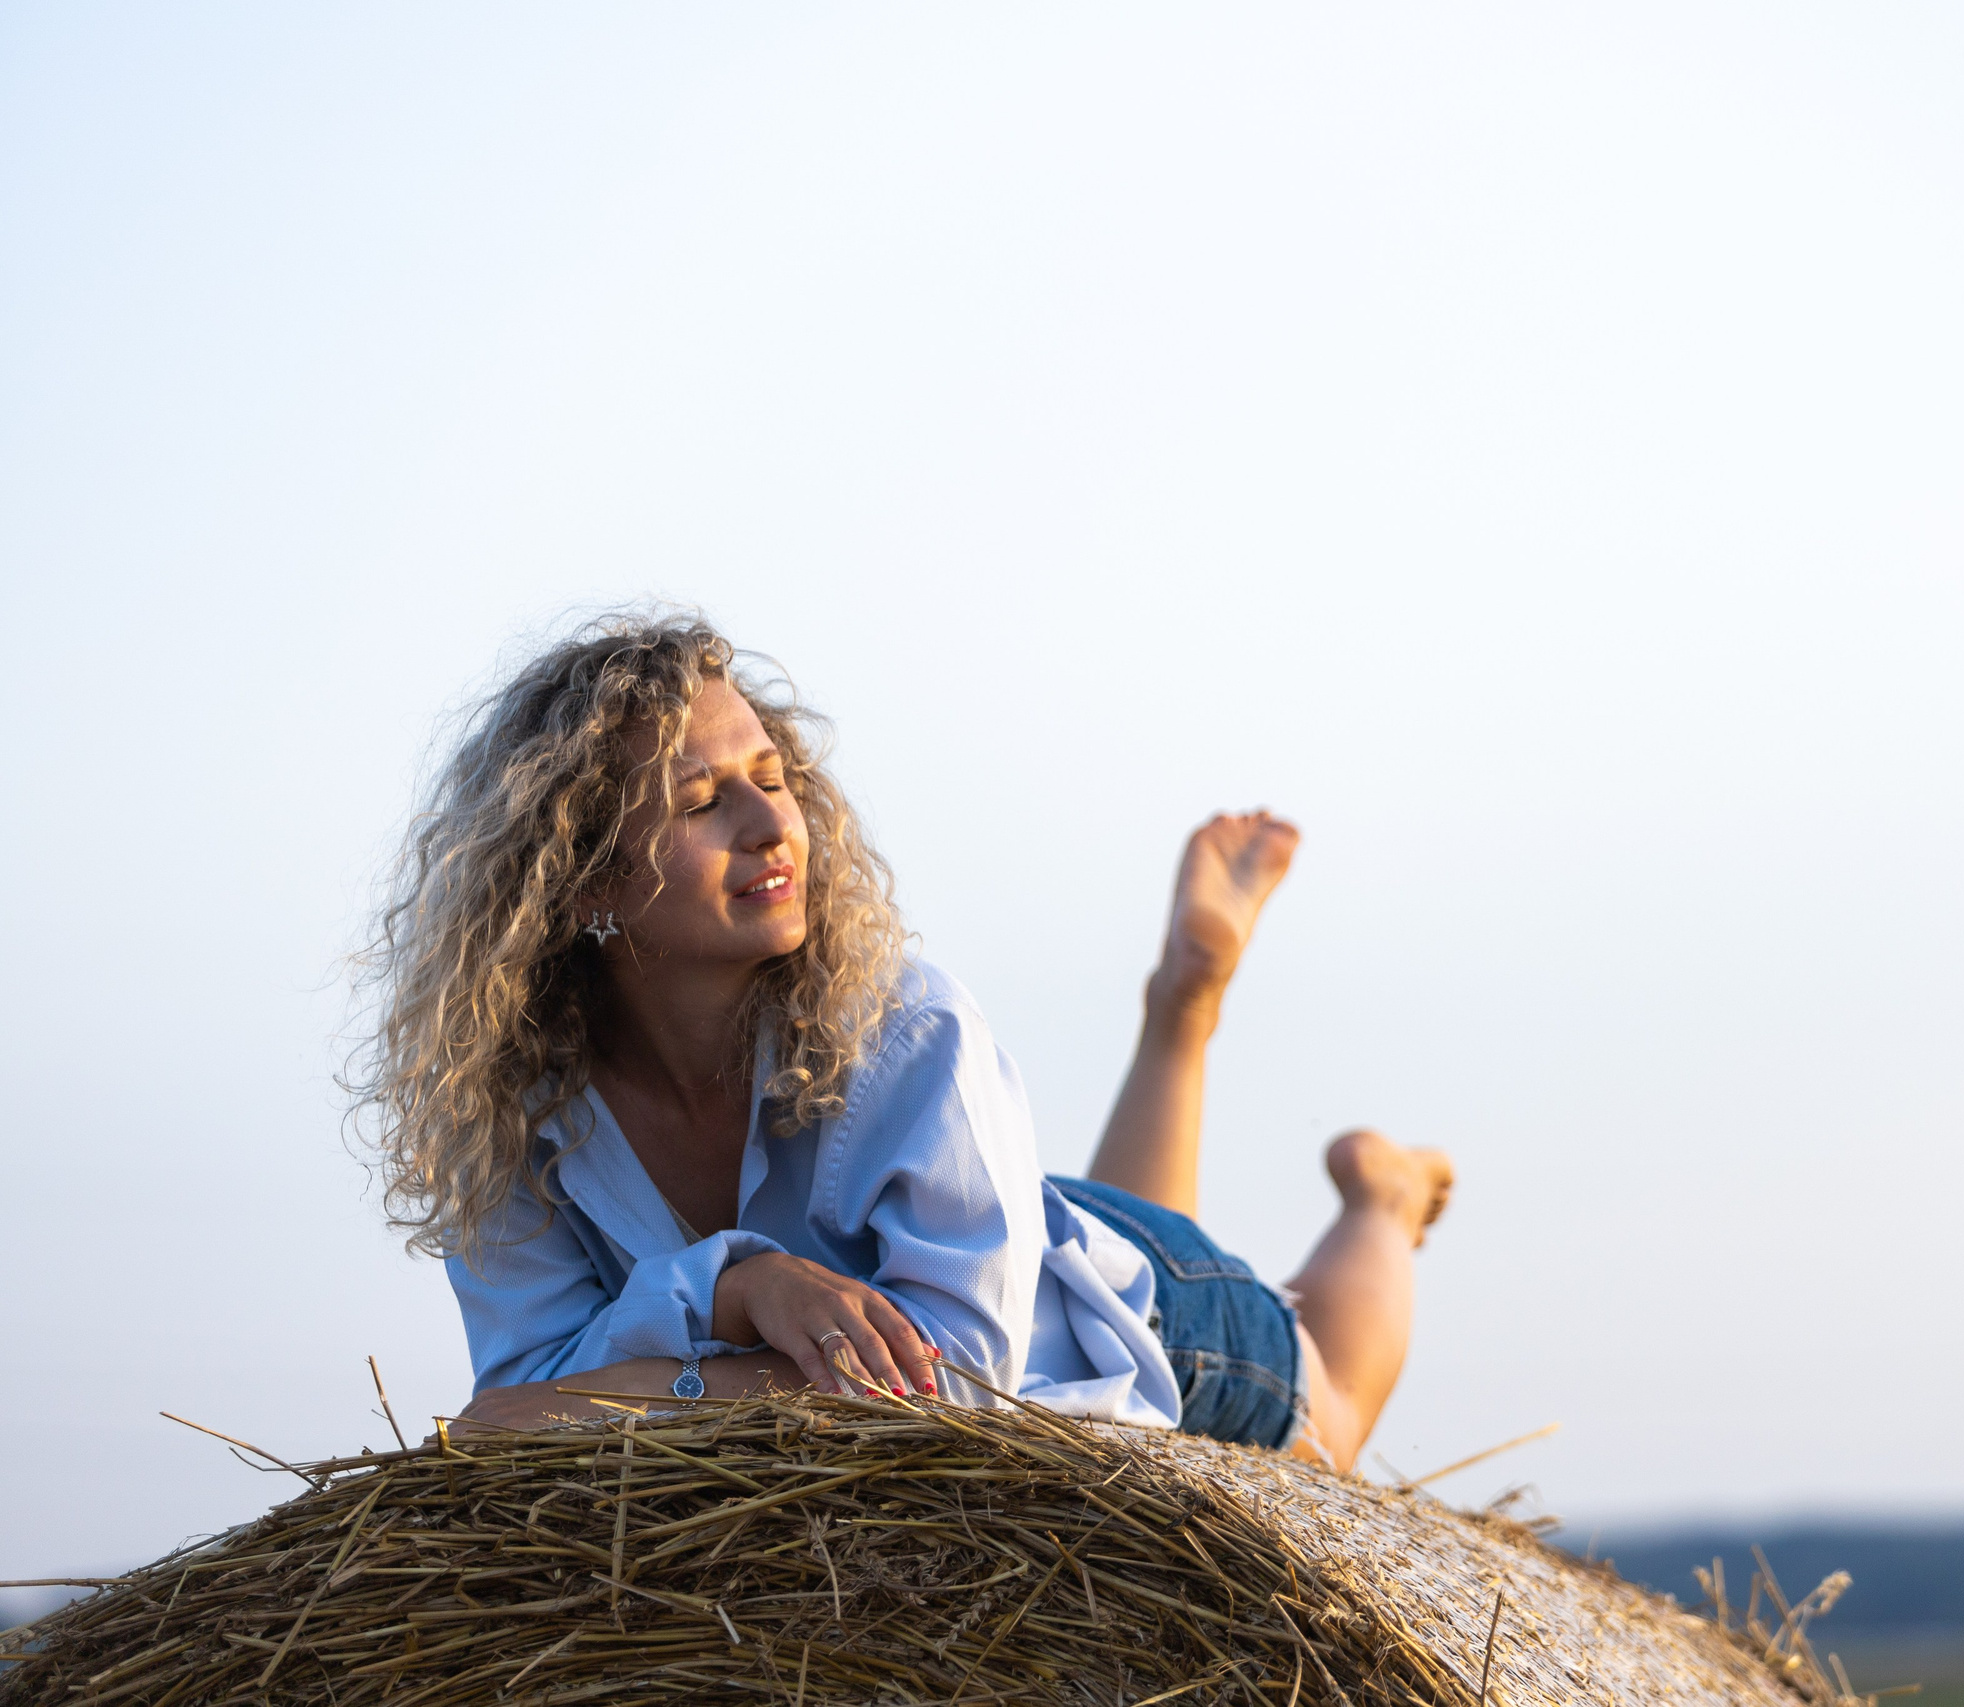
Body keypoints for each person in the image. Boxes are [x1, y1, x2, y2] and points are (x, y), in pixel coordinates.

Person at [351, 611, 1453, 1470]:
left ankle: (1381, 1197)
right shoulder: (507, 1115)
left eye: (772, 778)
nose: (771, 823)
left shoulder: (902, 1024)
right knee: (1072, 1256)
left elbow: (959, 1391)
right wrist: (739, 1290)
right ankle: (1182, 1011)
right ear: (584, 878)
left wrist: (664, 1365)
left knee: (1337, 1419)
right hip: (1017, 1240)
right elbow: (515, 1408)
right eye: (701, 802)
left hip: (1152, 1308)